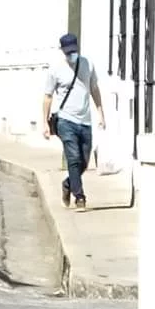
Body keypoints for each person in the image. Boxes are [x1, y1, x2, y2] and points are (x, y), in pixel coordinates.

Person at [42, 32, 105, 210]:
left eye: (73, 51)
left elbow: (94, 89)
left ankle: (68, 184)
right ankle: (80, 197)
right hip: (65, 120)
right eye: (68, 52)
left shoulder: (87, 64)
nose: (71, 55)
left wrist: (101, 113)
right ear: (62, 51)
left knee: (84, 161)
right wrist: (45, 123)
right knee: (73, 158)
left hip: (85, 121)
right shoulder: (55, 70)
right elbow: (47, 97)